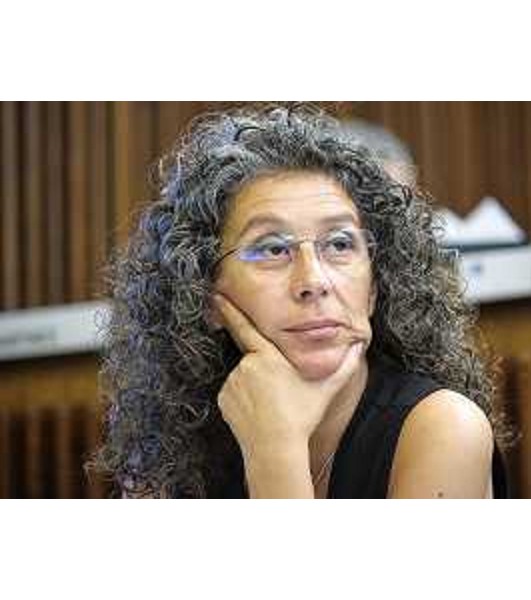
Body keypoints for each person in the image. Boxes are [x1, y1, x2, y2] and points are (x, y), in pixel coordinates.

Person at [92, 103, 509, 499]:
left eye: (340, 244)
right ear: (203, 295)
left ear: (375, 286)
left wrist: (275, 450)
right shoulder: (170, 447)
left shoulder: (445, 426)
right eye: (273, 249)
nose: (314, 281)